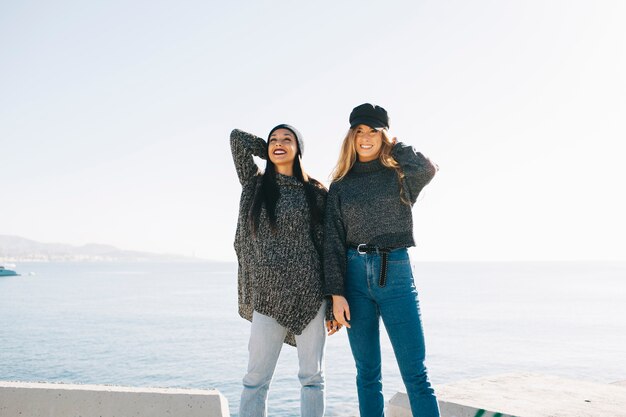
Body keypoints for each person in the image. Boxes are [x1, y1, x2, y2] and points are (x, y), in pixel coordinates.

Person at [323, 104, 440, 417]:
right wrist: (336, 295)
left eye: (373, 131)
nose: (365, 137)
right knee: (367, 374)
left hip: (396, 275)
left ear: (383, 135)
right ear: (351, 137)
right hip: (354, 279)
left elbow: (428, 169)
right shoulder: (340, 187)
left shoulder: (399, 177)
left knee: (416, 373)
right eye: (359, 131)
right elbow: (332, 242)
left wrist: (396, 147)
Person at [230, 125, 340, 417]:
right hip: (267, 298)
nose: (279, 144)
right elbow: (237, 139)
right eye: (273, 141)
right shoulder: (254, 185)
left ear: (299, 148)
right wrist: (265, 147)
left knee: (312, 379)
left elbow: (328, 249)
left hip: (310, 296)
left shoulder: (316, 193)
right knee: (255, 379)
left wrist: (331, 301)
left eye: (287, 140)